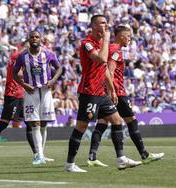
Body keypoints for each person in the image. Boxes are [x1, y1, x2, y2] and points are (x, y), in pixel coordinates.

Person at [65, 15, 141, 173]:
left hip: (101, 92)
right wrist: (106, 40)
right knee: (81, 126)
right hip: (89, 91)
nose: (106, 25)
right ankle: (69, 164)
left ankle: (121, 158)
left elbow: (105, 68)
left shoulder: (102, 43)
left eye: (107, 22)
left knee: (117, 120)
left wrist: (112, 90)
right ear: (93, 26)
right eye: (102, 23)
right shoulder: (87, 43)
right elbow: (100, 58)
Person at [87, 25, 164, 167]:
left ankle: (92, 156)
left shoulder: (109, 48)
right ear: (121, 37)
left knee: (102, 123)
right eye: (128, 36)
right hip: (117, 91)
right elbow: (109, 71)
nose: (130, 39)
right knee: (131, 121)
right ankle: (144, 154)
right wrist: (113, 91)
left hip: (106, 91)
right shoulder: (115, 50)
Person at [13, 30, 63, 165]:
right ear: (28, 40)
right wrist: (24, 84)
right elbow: (14, 74)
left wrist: (53, 81)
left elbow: (59, 68)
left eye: (37, 37)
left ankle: (42, 154)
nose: (34, 39)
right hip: (31, 92)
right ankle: (38, 155)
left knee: (44, 123)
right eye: (32, 37)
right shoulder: (22, 56)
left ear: (40, 39)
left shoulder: (48, 53)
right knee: (35, 123)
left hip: (46, 91)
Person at [0, 48, 37, 164]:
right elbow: (17, 73)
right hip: (13, 94)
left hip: (21, 95)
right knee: (3, 123)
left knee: (29, 123)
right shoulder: (17, 57)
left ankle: (37, 155)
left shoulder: (22, 57)